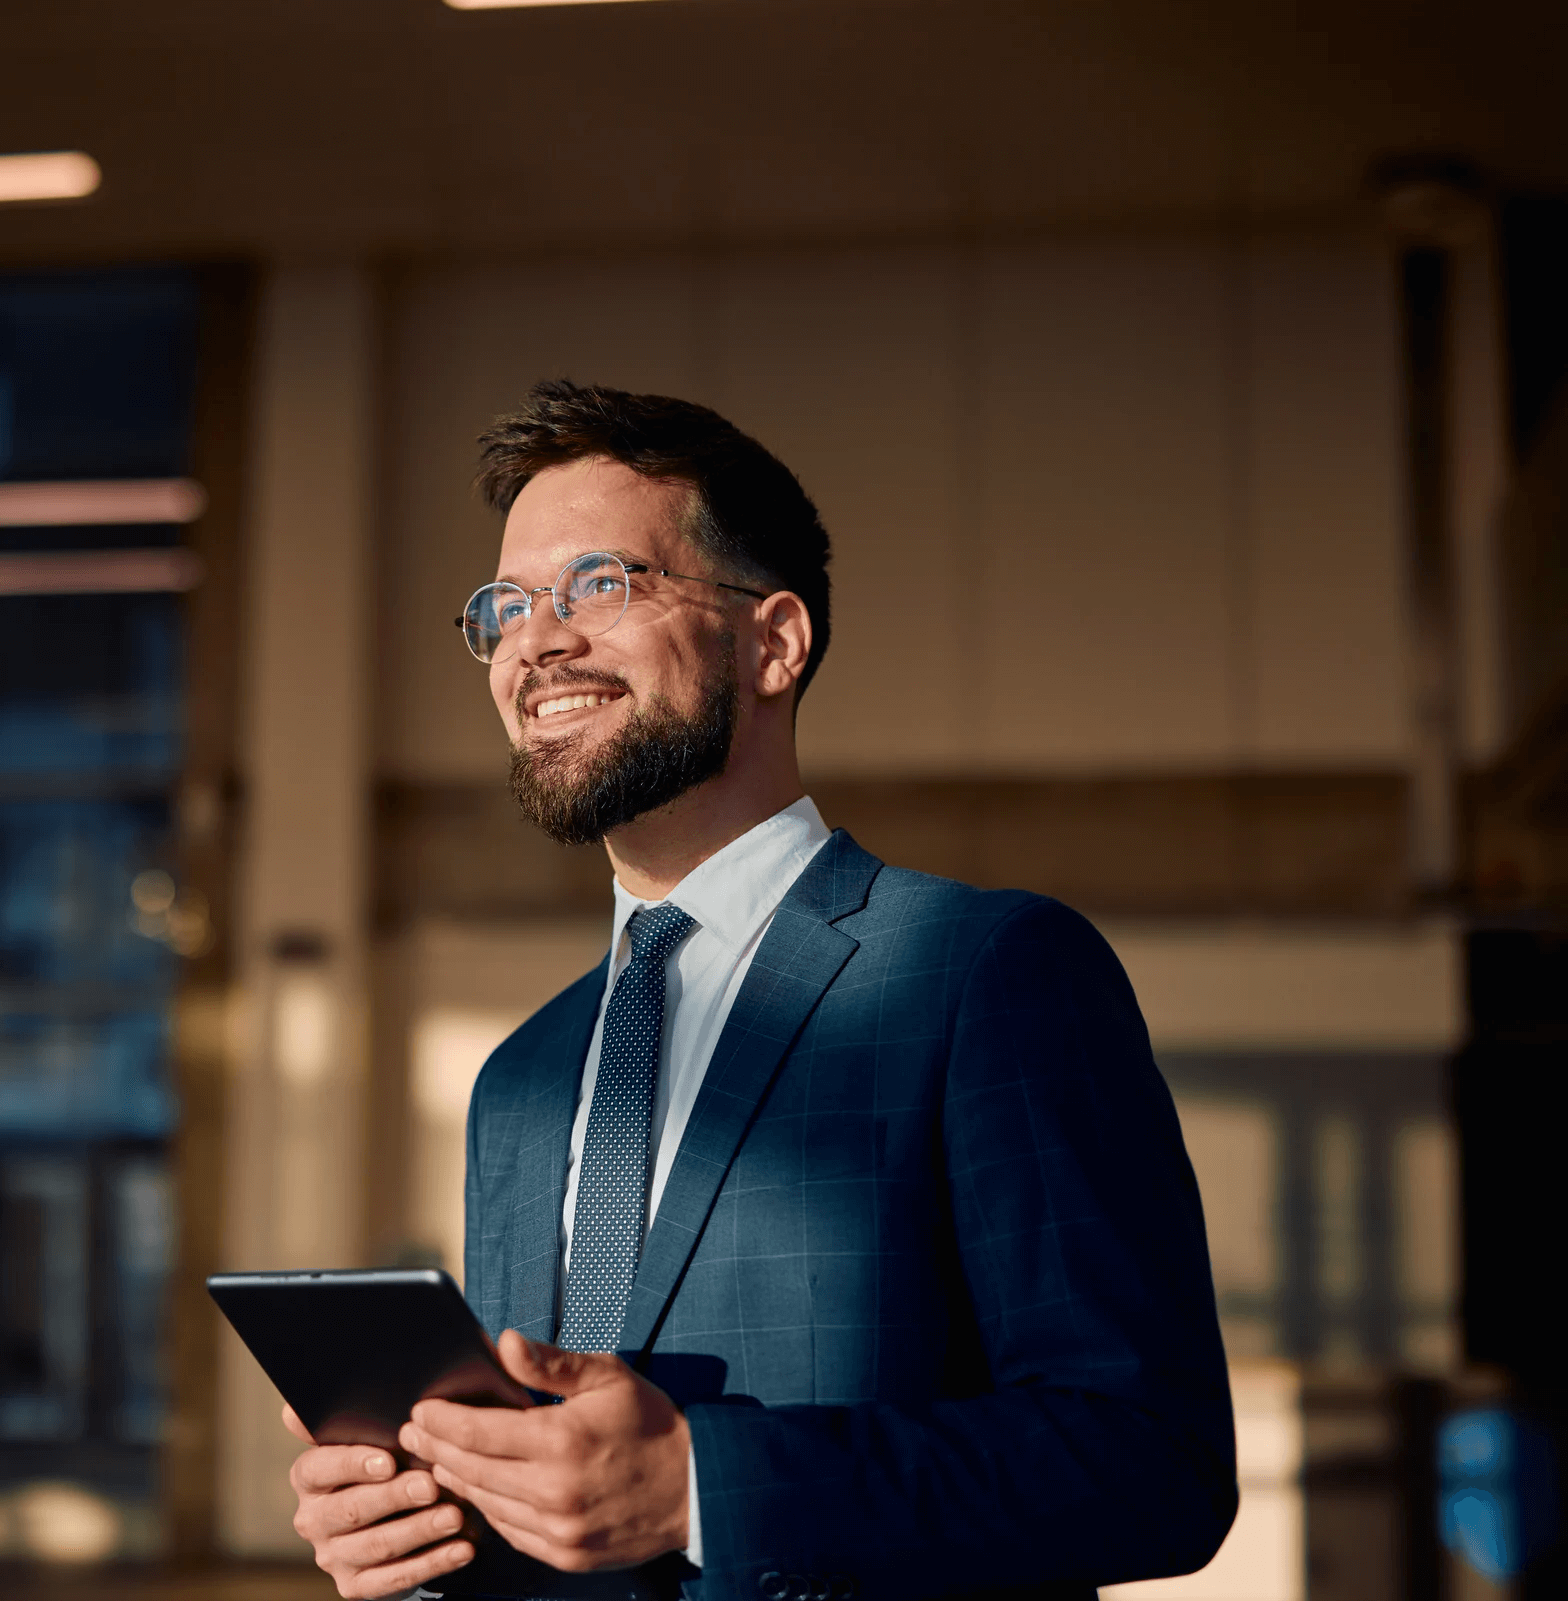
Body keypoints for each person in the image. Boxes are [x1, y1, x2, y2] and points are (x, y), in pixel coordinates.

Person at [282, 381, 1237, 1601]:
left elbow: (1152, 1461)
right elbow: (560, 1482)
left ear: (774, 642)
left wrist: (700, 1489)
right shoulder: (519, 1076)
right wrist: (424, 1524)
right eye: (507, 607)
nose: (537, 642)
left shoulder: (988, 970)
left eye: (600, 585)